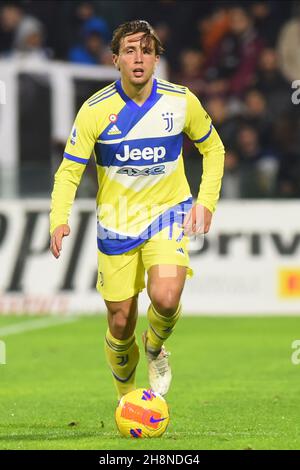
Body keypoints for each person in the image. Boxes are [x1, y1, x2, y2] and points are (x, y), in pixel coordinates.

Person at [49, 20, 225, 402]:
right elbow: (69, 171)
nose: (139, 57)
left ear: (157, 58)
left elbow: (214, 149)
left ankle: (155, 344)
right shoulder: (95, 110)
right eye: (130, 50)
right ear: (115, 60)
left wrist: (205, 201)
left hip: (168, 213)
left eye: (147, 50)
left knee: (165, 296)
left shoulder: (181, 101)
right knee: (119, 322)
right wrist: (59, 218)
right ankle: (128, 398)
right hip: (116, 223)